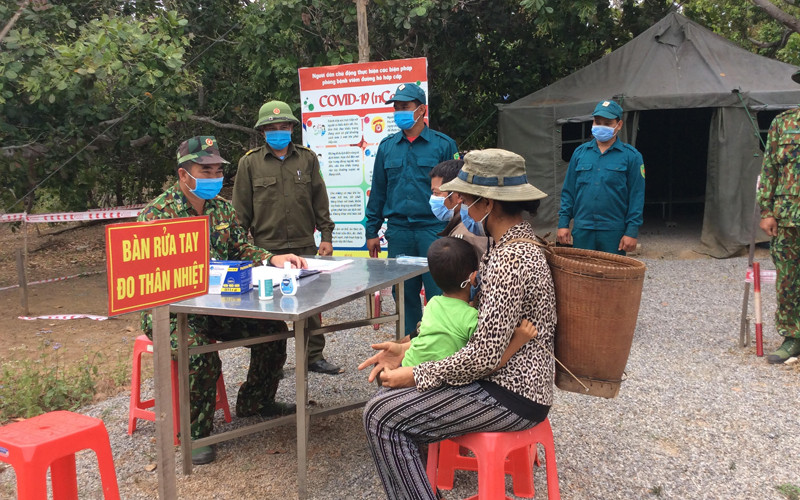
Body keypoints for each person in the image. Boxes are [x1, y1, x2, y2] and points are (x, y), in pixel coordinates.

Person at [359, 148, 555, 499]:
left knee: (382, 417)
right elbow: (480, 336)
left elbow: (482, 356)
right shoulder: (506, 245)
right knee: (384, 404)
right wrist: (407, 350)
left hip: (511, 393)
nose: (459, 204)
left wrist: (416, 372)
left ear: (488, 203)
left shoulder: (512, 258)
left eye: (464, 198)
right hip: (498, 380)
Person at [139, 136, 306, 465]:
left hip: (219, 304)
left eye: (218, 170)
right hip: (170, 312)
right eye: (206, 170)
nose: (215, 177)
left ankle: (255, 402)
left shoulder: (222, 207)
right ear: (184, 174)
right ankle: (196, 435)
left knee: (273, 330)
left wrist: (272, 259)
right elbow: (147, 275)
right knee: (198, 354)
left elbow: (242, 250)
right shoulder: (157, 214)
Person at [233, 100, 341, 375]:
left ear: (292, 128)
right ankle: (272, 361)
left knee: (312, 305)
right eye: (272, 128)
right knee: (269, 309)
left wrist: (326, 234)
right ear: (262, 132)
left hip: (305, 244)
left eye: (283, 127)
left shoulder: (306, 158)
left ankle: (313, 356)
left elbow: (319, 198)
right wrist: (238, 245)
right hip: (268, 250)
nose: (278, 132)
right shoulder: (250, 163)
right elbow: (241, 210)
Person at [365, 83, 459, 338]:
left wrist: (457, 229)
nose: (398, 113)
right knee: (404, 294)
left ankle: (440, 348)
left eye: (404, 107)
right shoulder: (387, 147)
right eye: (396, 108)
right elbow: (378, 191)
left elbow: (457, 191)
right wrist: (371, 230)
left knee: (438, 291)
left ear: (421, 110)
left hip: (434, 230)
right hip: (399, 231)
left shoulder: (443, 145)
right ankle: (410, 349)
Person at [401, 236, 536, 369]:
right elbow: (488, 359)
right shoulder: (472, 318)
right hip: (429, 380)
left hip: (408, 365)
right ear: (473, 278)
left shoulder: (433, 303)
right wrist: (519, 338)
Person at [557, 99, 645, 255]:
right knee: (582, 275)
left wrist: (631, 231)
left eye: (607, 123)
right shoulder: (580, 153)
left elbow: (636, 196)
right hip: (583, 229)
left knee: (612, 276)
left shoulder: (631, 157)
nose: (601, 126)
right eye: (598, 122)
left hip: (613, 231)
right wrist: (563, 223)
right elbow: (568, 191)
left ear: (619, 125)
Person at [757, 69, 800, 364]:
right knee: (788, 279)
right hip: (787, 218)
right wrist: (767, 211)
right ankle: (792, 338)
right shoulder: (783, 124)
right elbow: (769, 169)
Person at [429, 158, 489, 260]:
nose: (433, 198)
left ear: (459, 195)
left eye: (437, 193)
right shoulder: (472, 225)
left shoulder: (465, 236)